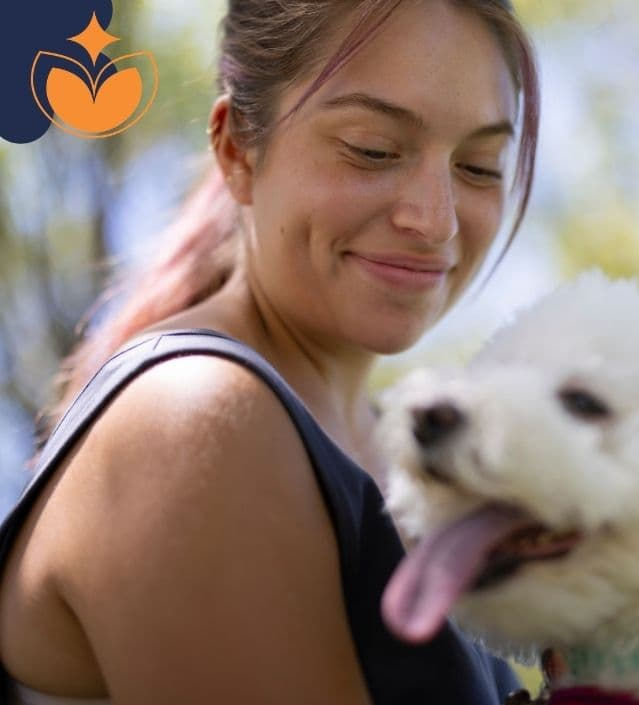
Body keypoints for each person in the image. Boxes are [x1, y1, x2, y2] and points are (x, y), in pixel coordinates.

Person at [0, 0, 539, 702]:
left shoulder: (410, 466)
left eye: (478, 165)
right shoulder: (196, 419)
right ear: (237, 149)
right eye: (372, 148)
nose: (434, 220)